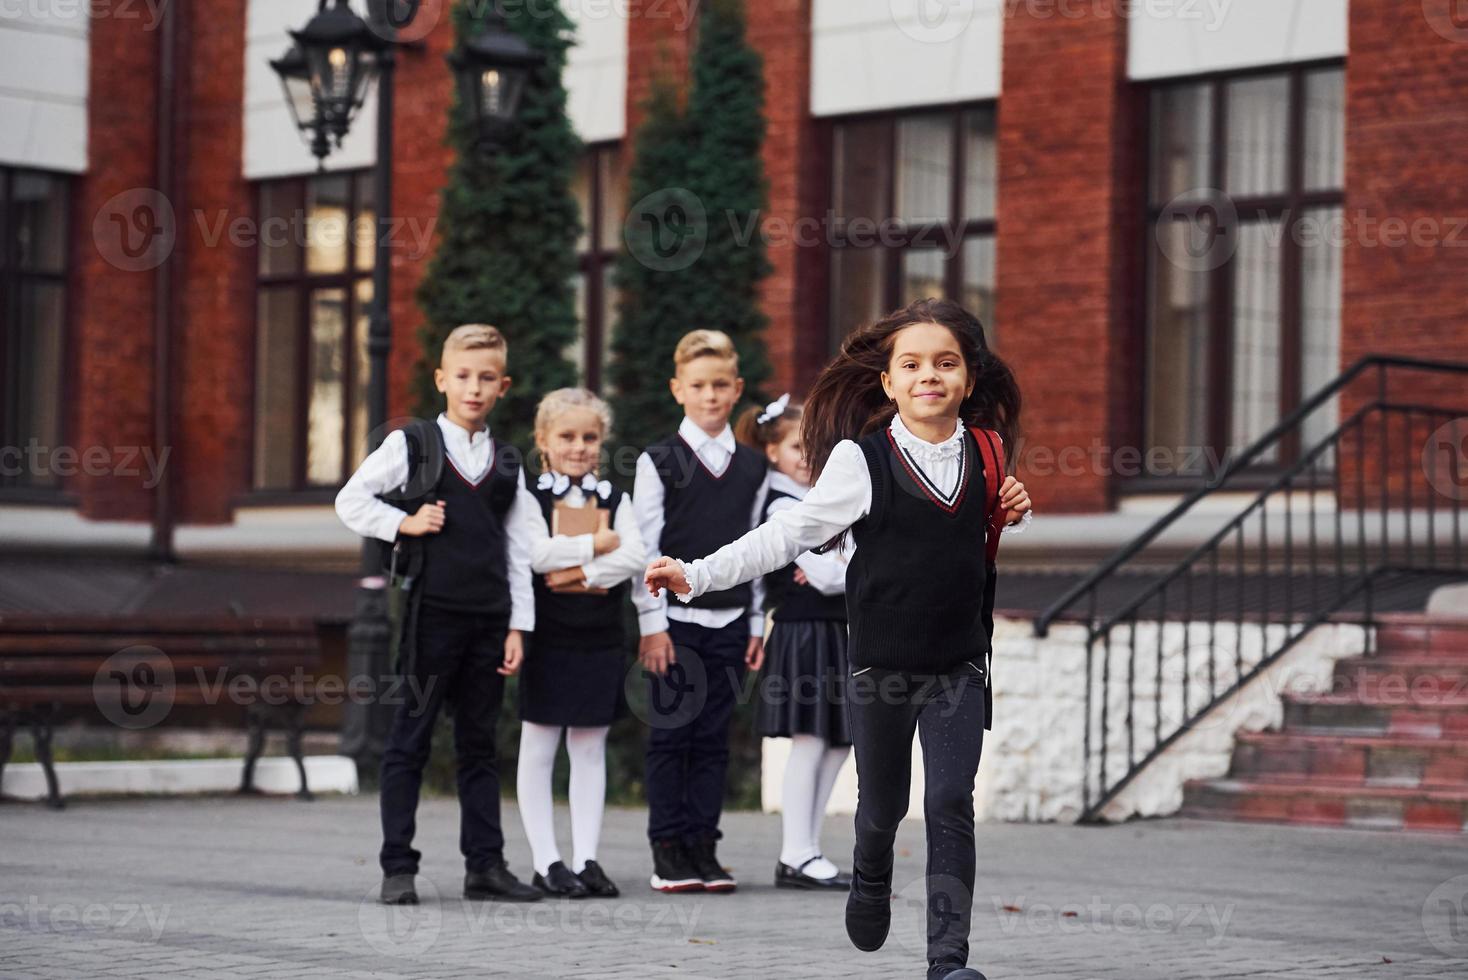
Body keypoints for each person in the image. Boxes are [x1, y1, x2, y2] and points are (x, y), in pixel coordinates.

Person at [644, 299, 1032, 980]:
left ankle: (948, 961)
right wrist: (696, 575)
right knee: (880, 810)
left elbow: (980, 532)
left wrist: (1010, 504)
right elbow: (785, 534)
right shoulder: (861, 460)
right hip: (881, 668)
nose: (928, 376)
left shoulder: (989, 453)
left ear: (969, 378)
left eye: (946, 363)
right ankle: (870, 878)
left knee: (948, 802)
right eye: (911, 365)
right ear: (887, 382)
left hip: (959, 666)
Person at [335, 323, 542, 907]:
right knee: (410, 742)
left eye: (485, 379)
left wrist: (518, 626)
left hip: (488, 620)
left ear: (502, 386)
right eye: (462, 377)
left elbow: (521, 547)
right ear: (441, 379)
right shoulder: (415, 444)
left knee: (479, 747)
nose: (473, 388)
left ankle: (486, 866)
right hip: (431, 620)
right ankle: (398, 867)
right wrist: (404, 522)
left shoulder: (506, 462)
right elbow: (350, 499)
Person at [631, 329, 768, 893]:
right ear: (677, 389)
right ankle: (668, 849)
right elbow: (644, 549)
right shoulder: (658, 460)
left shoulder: (756, 469)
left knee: (714, 739)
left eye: (719, 385)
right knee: (671, 738)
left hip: (732, 623)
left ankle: (704, 848)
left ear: (736, 390)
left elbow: (764, 547)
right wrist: (652, 627)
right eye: (698, 386)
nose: (709, 396)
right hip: (675, 627)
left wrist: (758, 621)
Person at [516, 388, 645, 900]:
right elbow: (534, 554)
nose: (579, 446)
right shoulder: (531, 495)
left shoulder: (617, 498)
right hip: (548, 634)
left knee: (591, 746)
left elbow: (635, 555)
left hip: (599, 634)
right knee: (540, 743)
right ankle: (546, 861)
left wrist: (579, 572)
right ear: (543, 441)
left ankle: (586, 858)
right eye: (566, 436)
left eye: (589, 437)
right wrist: (597, 543)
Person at [734, 394, 854, 891]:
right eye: (795, 447)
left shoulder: (816, 502)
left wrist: (845, 564)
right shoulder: (782, 505)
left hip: (835, 630)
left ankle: (808, 848)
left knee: (839, 742)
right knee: (810, 739)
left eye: (813, 446)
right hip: (804, 631)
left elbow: (838, 569)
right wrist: (852, 565)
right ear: (772, 452)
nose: (807, 456)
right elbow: (827, 578)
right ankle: (796, 853)